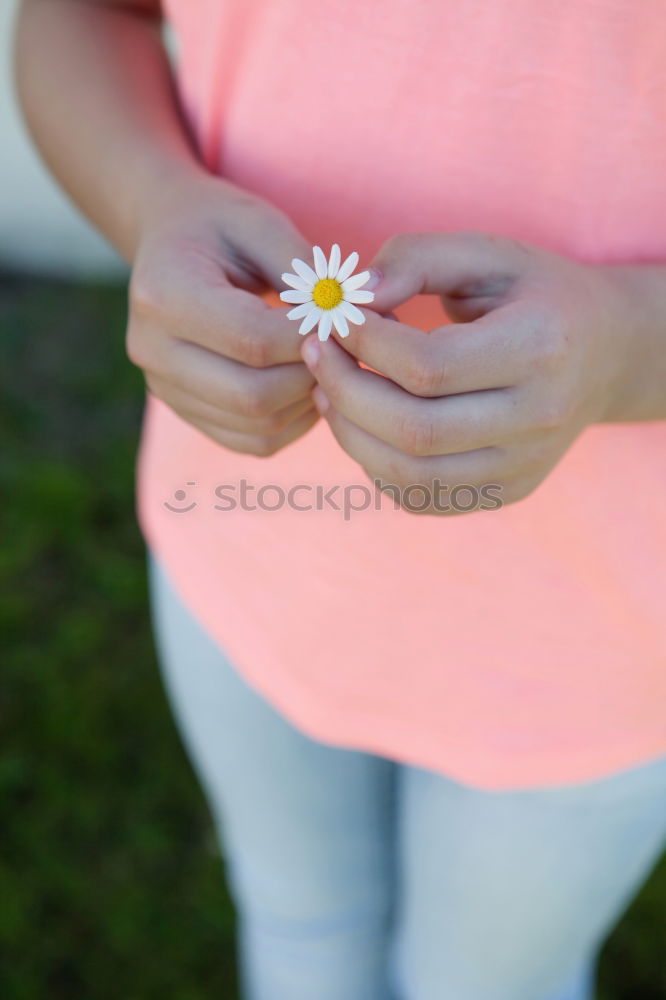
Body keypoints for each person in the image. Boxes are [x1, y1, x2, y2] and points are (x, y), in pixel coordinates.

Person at [14, 1, 666, 997]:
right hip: (249, 543)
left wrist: (628, 345)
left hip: (600, 629)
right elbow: (83, 15)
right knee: (301, 928)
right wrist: (153, 202)